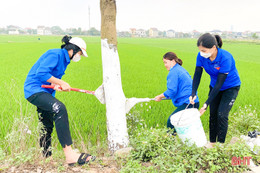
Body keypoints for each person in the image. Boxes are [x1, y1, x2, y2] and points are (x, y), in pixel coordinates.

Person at [24, 35, 95, 166]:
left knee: (47, 123)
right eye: (79, 53)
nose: (79, 56)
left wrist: (57, 85)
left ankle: (46, 158)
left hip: (45, 90)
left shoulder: (65, 60)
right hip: (34, 90)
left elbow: (50, 78)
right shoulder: (55, 54)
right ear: (72, 49)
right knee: (59, 108)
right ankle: (70, 155)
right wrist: (61, 81)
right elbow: (41, 73)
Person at [190, 33, 241, 146]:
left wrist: (206, 103)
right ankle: (212, 142)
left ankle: (220, 145)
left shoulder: (225, 57)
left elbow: (220, 83)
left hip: (230, 87)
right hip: (214, 86)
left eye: (204, 50)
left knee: (222, 115)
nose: (202, 53)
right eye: (200, 50)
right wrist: (193, 92)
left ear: (213, 48)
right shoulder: (201, 56)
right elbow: (197, 74)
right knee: (213, 114)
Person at [154, 52, 199, 132]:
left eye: (166, 62)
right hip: (193, 102)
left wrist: (160, 96)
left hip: (188, 103)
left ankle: (169, 142)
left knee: (172, 121)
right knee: (185, 126)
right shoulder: (179, 69)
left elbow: (172, 91)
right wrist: (165, 96)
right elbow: (176, 91)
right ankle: (178, 142)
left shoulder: (174, 72)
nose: (165, 65)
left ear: (173, 61)